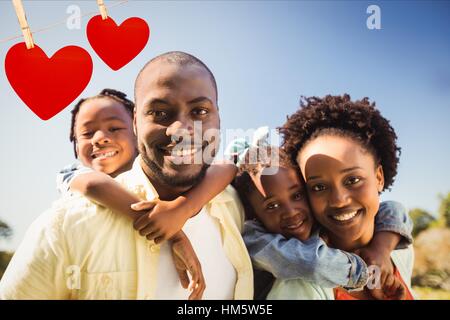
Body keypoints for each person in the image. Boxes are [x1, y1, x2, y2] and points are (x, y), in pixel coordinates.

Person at [0, 51, 253, 299]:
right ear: (135, 122)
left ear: (218, 116)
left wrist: (184, 208)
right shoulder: (66, 225)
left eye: (200, 111)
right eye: (160, 113)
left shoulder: (238, 204)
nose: (180, 130)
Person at [57, 88, 205, 299]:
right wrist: (174, 233)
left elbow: (224, 169)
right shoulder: (74, 174)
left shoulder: (164, 172)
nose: (100, 138)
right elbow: (93, 186)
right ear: (75, 143)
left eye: (115, 128)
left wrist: (181, 209)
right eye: (87, 133)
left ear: (138, 132)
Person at [274, 94, 415, 299]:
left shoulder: (400, 253)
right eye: (319, 186)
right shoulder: (301, 284)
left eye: (353, 180)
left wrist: (382, 250)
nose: (339, 200)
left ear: (379, 177)